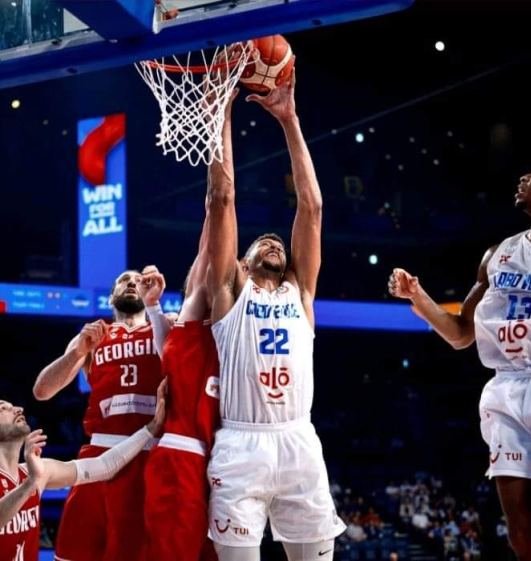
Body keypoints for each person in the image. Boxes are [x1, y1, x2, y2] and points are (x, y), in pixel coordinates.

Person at [389, 156, 531, 561]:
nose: (524, 177)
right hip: (507, 388)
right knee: (523, 538)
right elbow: (461, 333)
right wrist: (418, 298)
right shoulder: (498, 254)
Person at [204, 73, 345, 561]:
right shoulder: (228, 293)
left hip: (299, 440)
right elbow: (222, 198)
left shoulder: (300, 292)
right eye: (262, 241)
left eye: (279, 243)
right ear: (241, 263)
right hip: (241, 445)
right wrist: (219, 110)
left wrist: (289, 120)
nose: (275, 242)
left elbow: (313, 206)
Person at [0, 383, 167, 561]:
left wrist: (151, 428)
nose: (18, 409)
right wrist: (30, 484)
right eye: (4, 409)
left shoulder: (37, 471)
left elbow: (105, 466)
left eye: (14, 406)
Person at [33, 270, 165, 560]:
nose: (131, 283)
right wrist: (77, 352)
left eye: (137, 280)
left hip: (150, 452)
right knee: (75, 551)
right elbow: (42, 390)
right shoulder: (95, 335)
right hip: (98, 451)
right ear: (110, 297)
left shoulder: (164, 326)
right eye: (123, 280)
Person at [139, 193, 220, 559]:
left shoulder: (235, 332)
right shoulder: (193, 323)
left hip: (223, 462)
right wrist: (217, 201)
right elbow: (209, 254)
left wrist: (154, 310)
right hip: (183, 457)